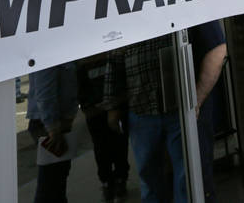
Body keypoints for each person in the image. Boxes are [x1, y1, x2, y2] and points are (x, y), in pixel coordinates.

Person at [103, 22, 228, 203]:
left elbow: (217, 48)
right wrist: (112, 106)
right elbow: (114, 56)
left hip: (183, 112)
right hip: (142, 110)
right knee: (151, 183)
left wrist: (196, 100)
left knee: (191, 182)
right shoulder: (125, 10)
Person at [77, 53, 130, 202]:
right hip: (100, 111)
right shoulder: (88, 58)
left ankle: (115, 180)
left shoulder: (107, 54)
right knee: (108, 147)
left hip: (105, 109)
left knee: (113, 145)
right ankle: (112, 181)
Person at [26, 61, 79, 203]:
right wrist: (53, 128)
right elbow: (44, 92)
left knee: (57, 180)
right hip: (49, 125)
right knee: (50, 185)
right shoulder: (50, 52)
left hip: (55, 123)